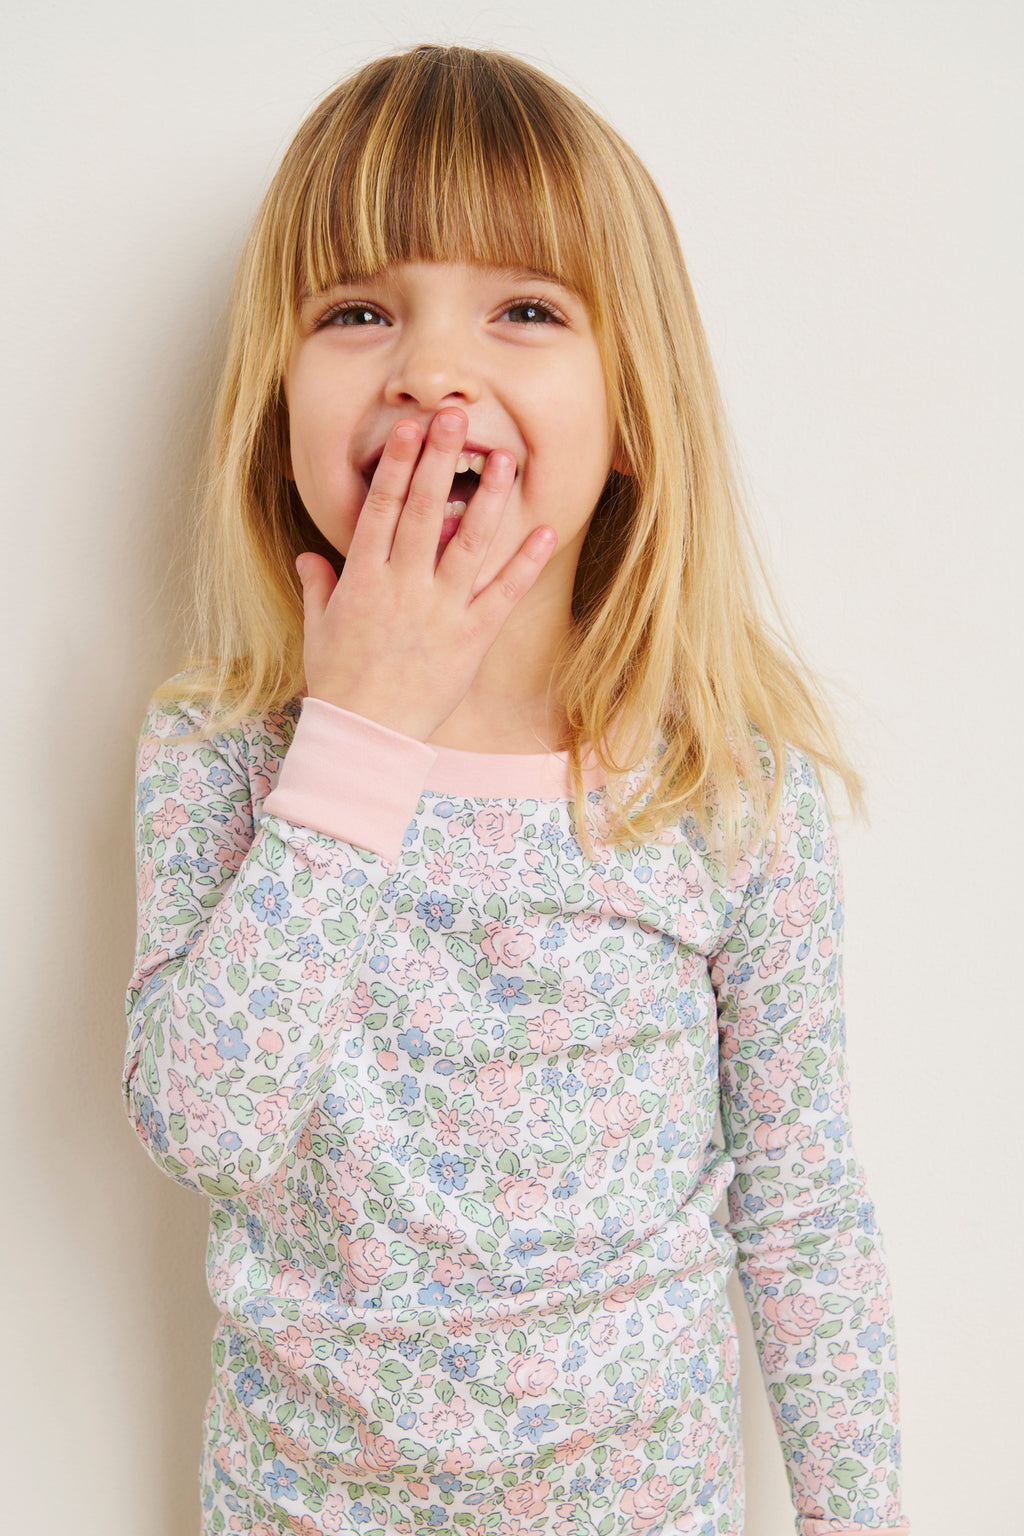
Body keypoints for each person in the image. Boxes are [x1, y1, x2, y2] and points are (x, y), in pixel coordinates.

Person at [124, 44, 909, 1536]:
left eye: (525, 310)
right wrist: (361, 733)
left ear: (628, 417)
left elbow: (803, 1208)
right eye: (357, 311)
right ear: (276, 402)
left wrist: (855, 1514)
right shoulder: (224, 755)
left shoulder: (721, 787)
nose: (430, 369)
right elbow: (204, 1127)